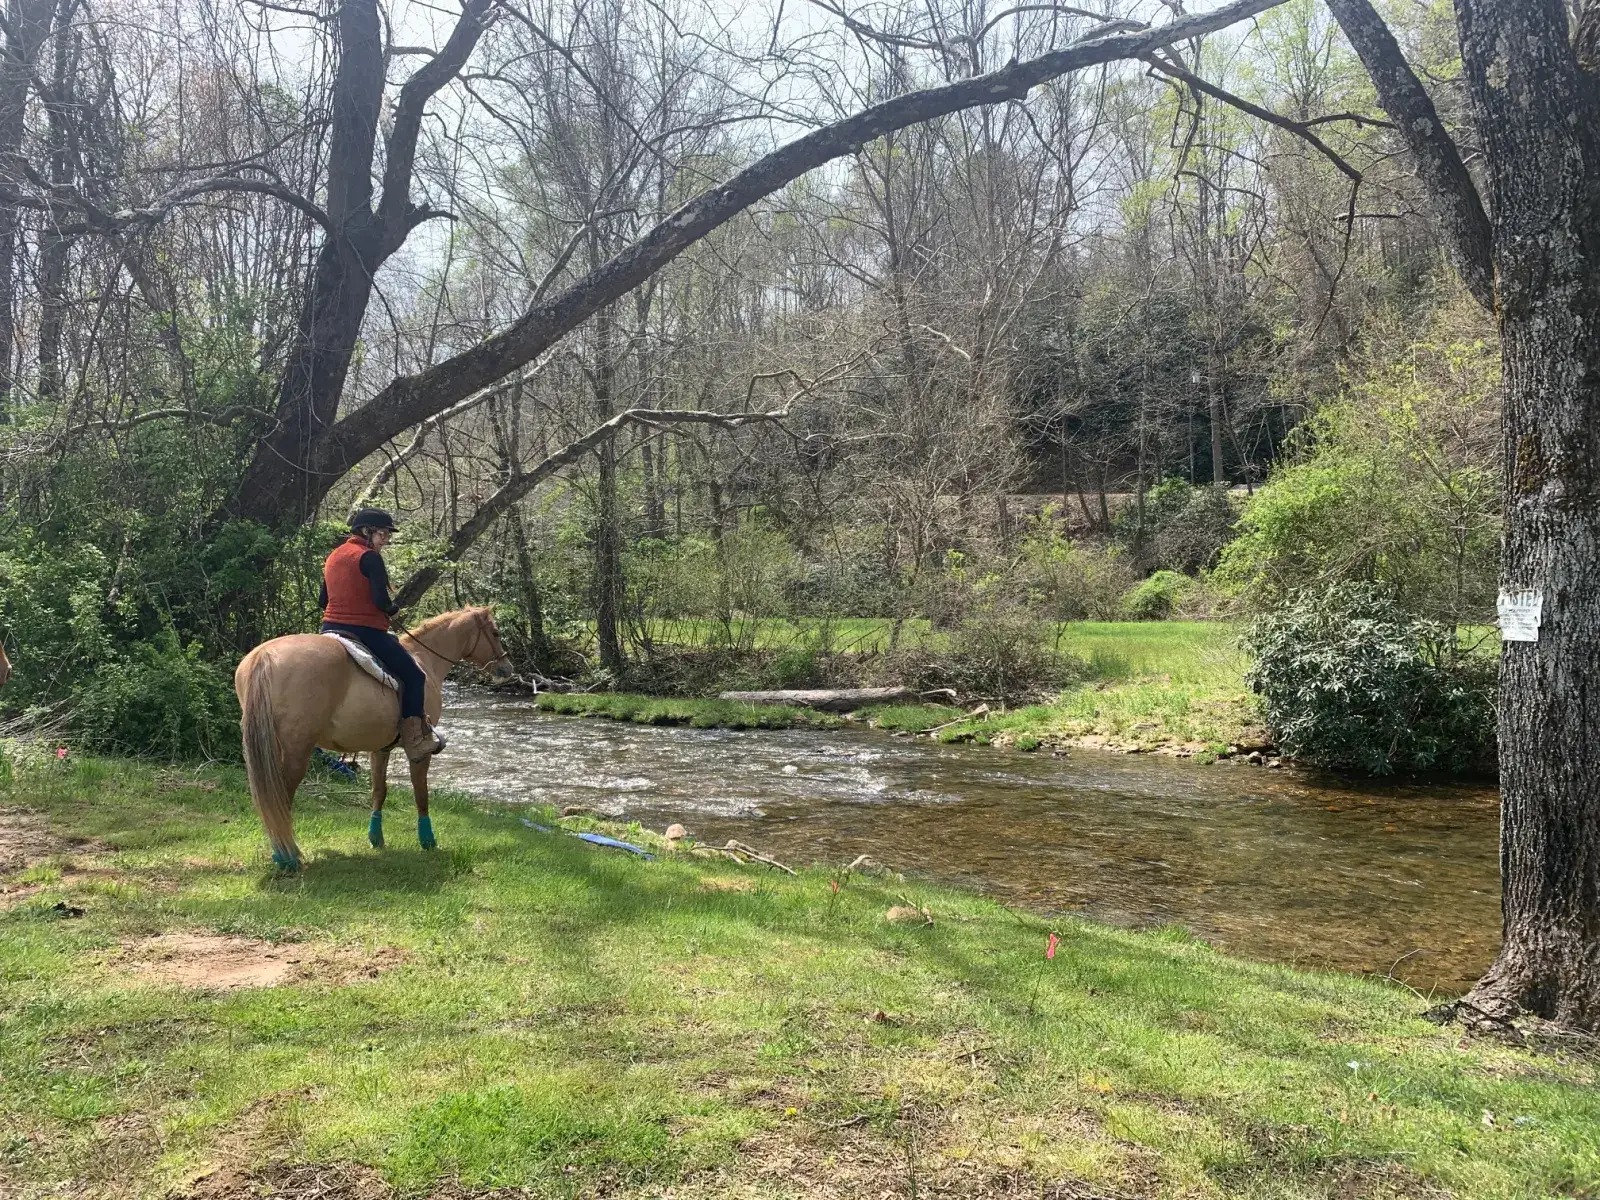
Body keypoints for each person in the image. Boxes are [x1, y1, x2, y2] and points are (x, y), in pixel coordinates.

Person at [319, 508, 444, 761]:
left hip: (329, 628)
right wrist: (392, 609)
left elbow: (323, 600)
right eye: (382, 534)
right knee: (414, 675)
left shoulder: (333, 556)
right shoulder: (370, 557)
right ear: (366, 531)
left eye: (387, 535)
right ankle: (414, 740)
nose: (385, 540)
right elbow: (381, 600)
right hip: (365, 631)